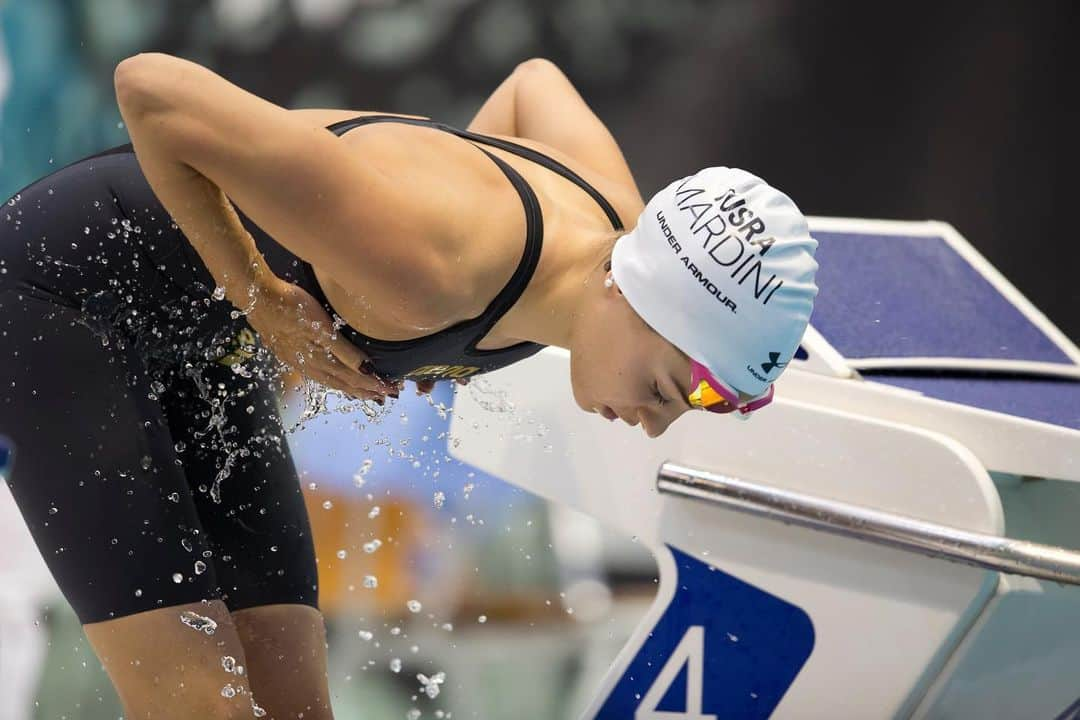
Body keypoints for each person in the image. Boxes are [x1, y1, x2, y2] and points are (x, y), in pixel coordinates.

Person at [0, 53, 818, 719]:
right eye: (668, 389)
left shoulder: (622, 226)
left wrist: (423, 308)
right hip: (56, 297)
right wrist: (262, 293)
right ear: (633, 294)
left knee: (292, 703)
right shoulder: (423, 263)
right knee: (197, 707)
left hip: (204, 344)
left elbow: (534, 82)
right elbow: (151, 89)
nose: (652, 425)